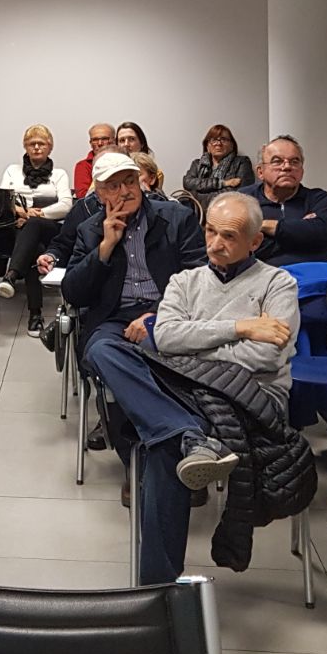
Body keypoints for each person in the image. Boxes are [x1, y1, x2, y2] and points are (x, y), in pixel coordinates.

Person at [86, 191, 299, 566]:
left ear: (254, 241)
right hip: (186, 391)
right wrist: (240, 327)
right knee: (102, 349)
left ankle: (158, 584)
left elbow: (266, 356)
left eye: (229, 236)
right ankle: (187, 434)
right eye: (210, 231)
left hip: (250, 396)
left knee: (162, 446)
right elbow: (165, 337)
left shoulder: (278, 284)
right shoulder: (184, 281)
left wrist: (191, 350)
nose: (215, 244)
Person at [62, 152, 206, 458]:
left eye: (130, 181)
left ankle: (148, 461)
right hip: (114, 320)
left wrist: (156, 315)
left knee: (136, 372)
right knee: (100, 352)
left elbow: (199, 277)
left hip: (170, 313)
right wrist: (105, 247)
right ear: (100, 194)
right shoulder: (90, 230)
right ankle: (186, 434)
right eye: (114, 186)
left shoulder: (176, 218)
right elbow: (73, 292)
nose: (125, 191)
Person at [0, 124, 72, 337]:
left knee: (34, 226)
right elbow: (4, 201)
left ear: (50, 147)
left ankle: (11, 275)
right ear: (25, 147)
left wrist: (36, 215)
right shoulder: (12, 171)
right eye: (32, 144)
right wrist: (23, 212)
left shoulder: (59, 174)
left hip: (49, 229)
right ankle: (35, 315)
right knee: (34, 249)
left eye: (41, 144)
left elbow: (66, 205)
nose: (36, 147)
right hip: (16, 231)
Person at [240, 136, 327, 267]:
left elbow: (326, 235)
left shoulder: (319, 199)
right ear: (260, 172)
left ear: (302, 170)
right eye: (277, 161)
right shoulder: (242, 200)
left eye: (294, 161)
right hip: (261, 276)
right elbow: (235, 245)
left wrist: (263, 225)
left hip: (313, 275)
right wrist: (302, 230)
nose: (287, 167)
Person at [182, 125, 255, 207]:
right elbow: (187, 183)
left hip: (227, 211)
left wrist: (195, 198)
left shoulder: (242, 163)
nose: (218, 143)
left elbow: (236, 194)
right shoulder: (197, 164)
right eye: (213, 140)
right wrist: (222, 183)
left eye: (223, 139)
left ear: (232, 145)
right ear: (207, 146)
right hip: (195, 213)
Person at [72, 123, 115, 199]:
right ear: (90, 143)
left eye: (104, 139)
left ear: (114, 140)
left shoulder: (124, 161)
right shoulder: (83, 166)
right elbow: (83, 197)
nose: (100, 143)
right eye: (95, 140)